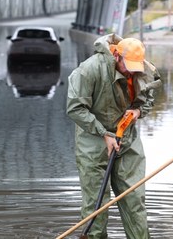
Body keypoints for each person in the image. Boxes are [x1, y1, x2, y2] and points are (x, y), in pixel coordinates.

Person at [66, 34, 161, 238]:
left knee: (134, 200)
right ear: (117, 56)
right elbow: (75, 108)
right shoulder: (89, 69)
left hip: (127, 141)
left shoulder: (141, 70)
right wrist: (103, 133)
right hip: (93, 142)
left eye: (136, 69)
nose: (132, 73)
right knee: (96, 207)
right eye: (128, 67)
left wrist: (138, 111)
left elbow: (149, 93)